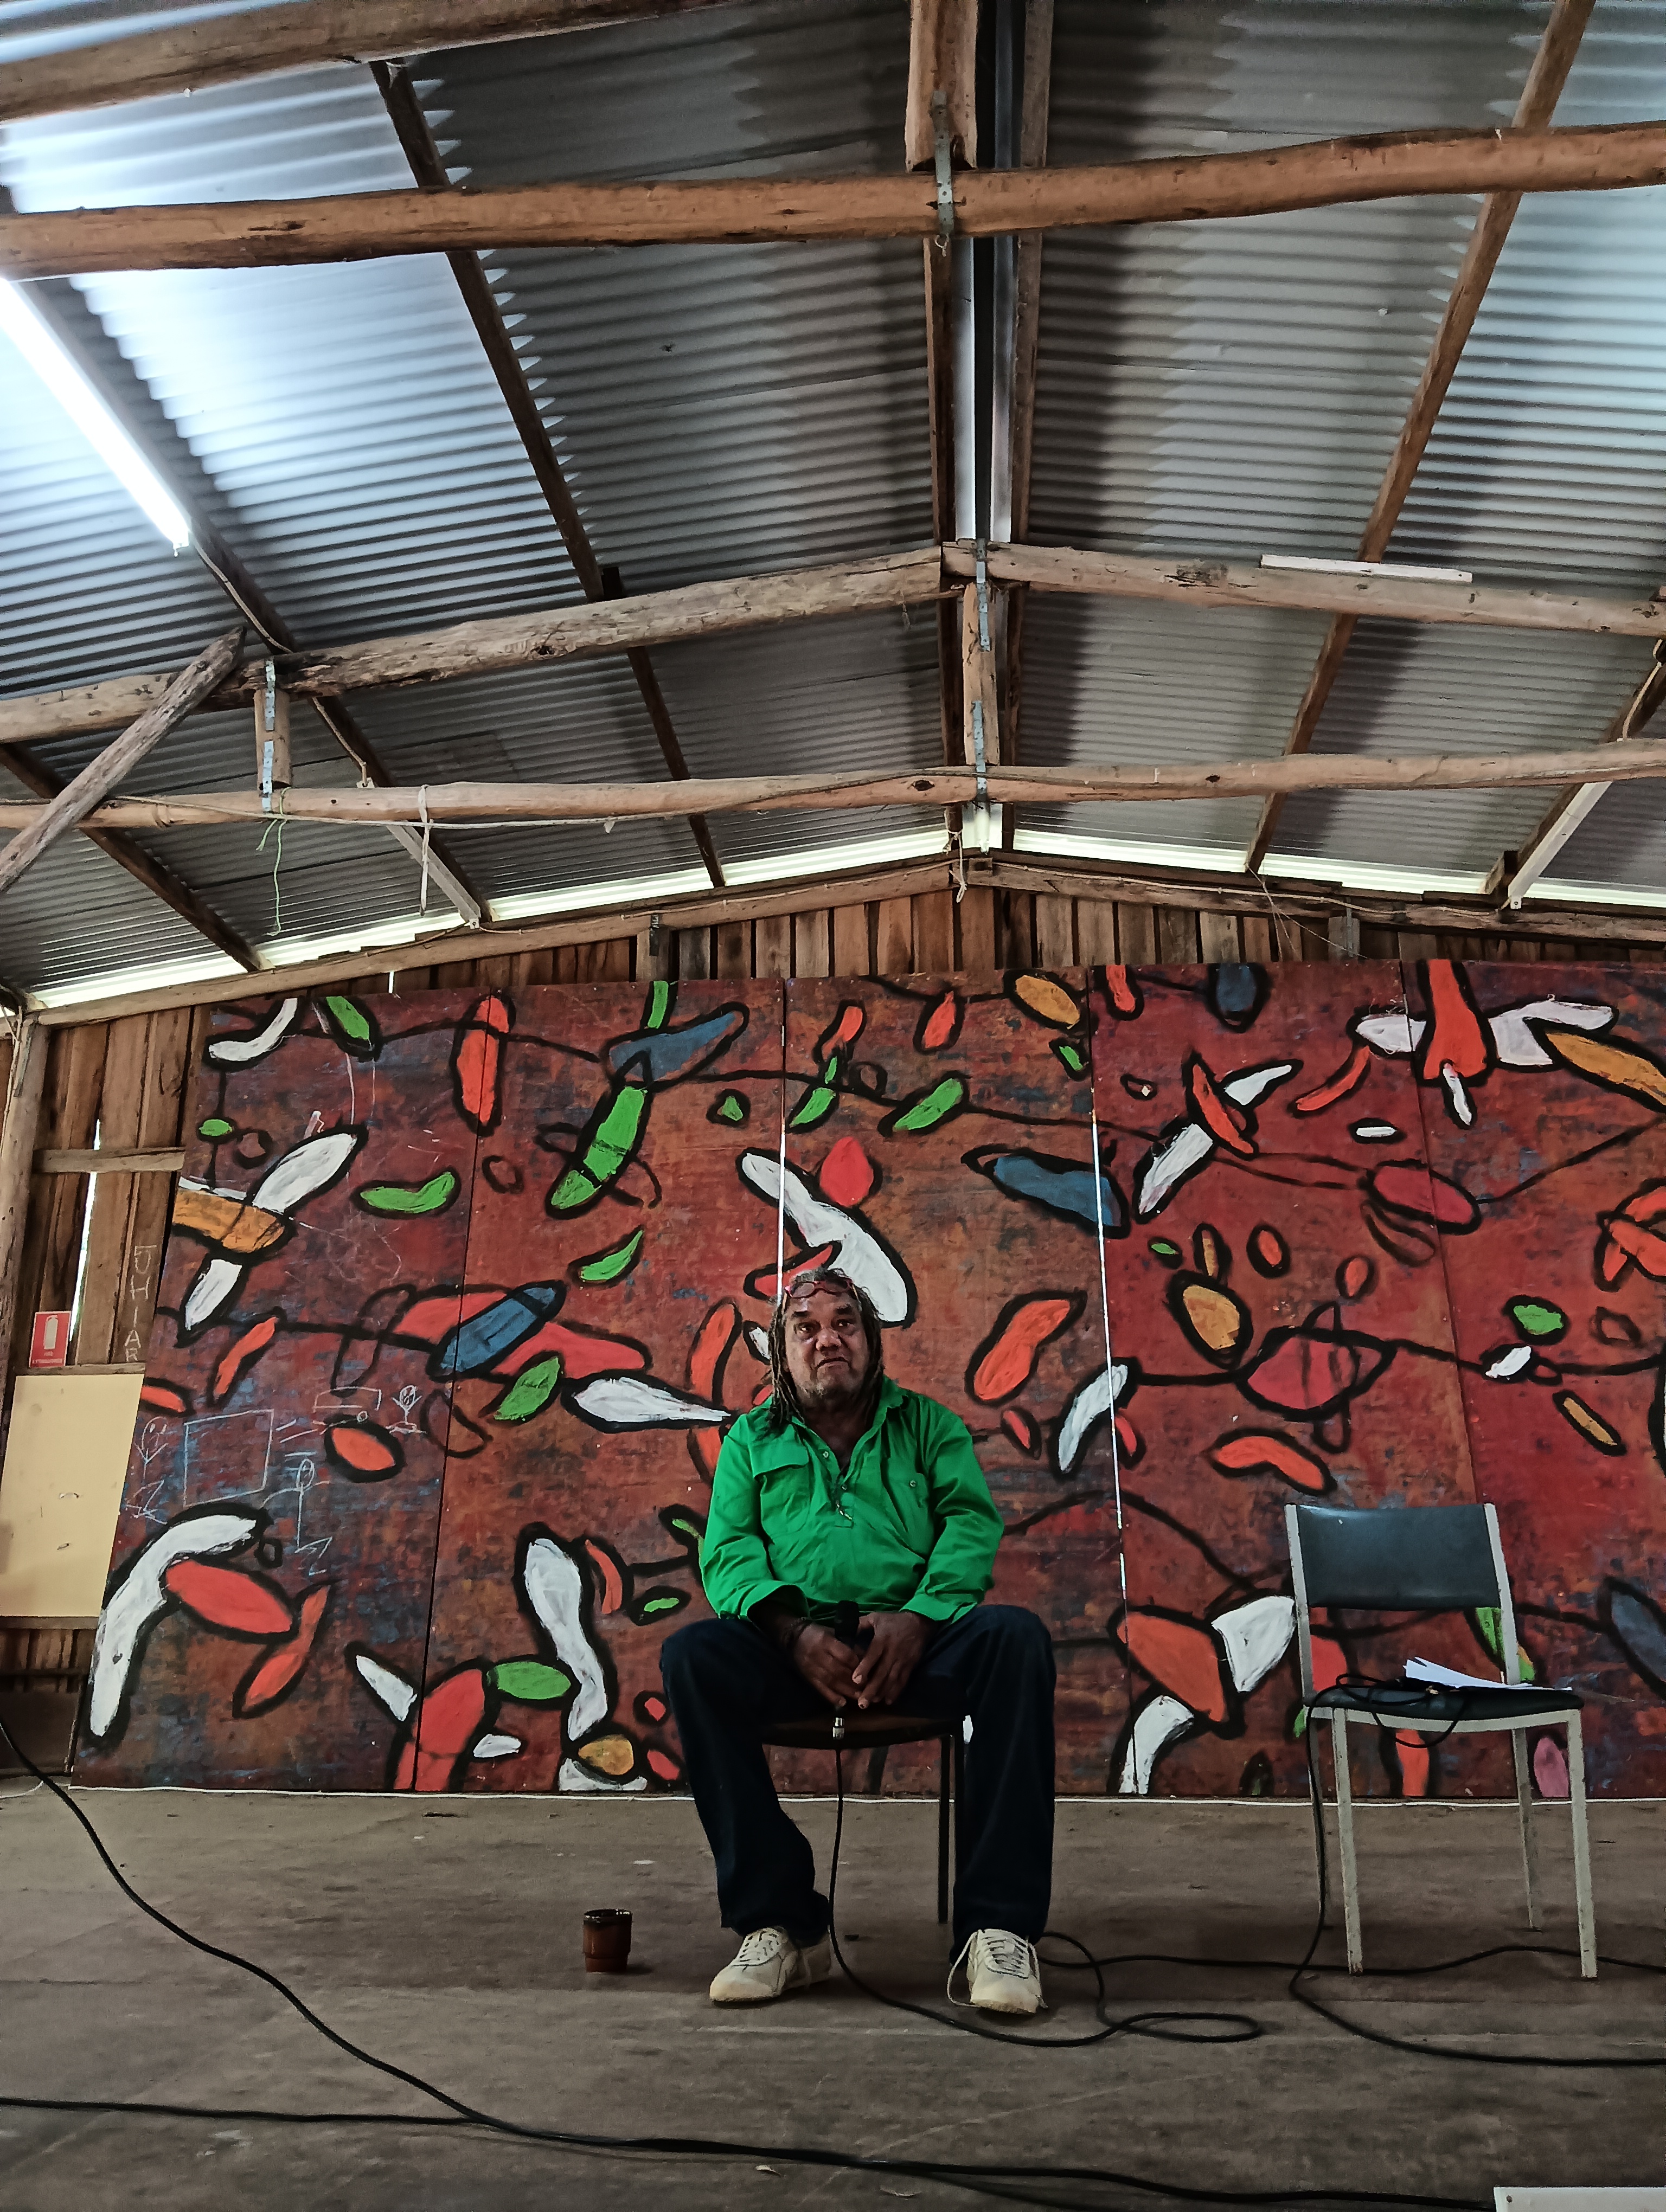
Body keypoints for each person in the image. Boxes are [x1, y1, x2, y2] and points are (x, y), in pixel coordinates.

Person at [660, 1265, 1056, 2017]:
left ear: (872, 1343)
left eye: (844, 1323)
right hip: (795, 1652)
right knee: (694, 1657)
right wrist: (793, 1633)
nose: (827, 1339)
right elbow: (730, 1551)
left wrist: (921, 1619)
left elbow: (971, 1527)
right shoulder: (752, 1438)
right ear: (782, 1354)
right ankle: (783, 1925)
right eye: (805, 1329)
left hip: (915, 1644)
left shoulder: (928, 1426)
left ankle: (998, 1928)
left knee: (1016, 1640)